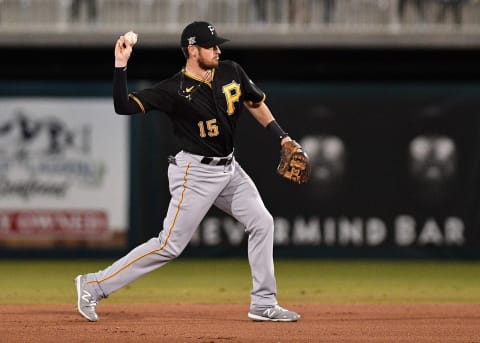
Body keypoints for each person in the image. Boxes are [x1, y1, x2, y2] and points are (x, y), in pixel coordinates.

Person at [74, 21, 302, 322]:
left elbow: (254, 102)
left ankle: (263, 302)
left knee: (262, 222)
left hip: (229, 169)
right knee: (169, 245)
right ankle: (93, 285)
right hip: (194, 173)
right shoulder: (173, 90)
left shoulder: (231, 70)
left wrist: (283, 137)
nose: (218, 50)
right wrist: (120, 65)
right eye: (211, 46)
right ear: (193, 50)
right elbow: (122, 106)